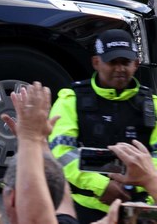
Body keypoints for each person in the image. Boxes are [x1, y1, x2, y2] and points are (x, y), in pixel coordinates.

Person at [49, 28, 157, 223]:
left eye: (126, 62)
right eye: (112, 62)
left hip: (141, 207)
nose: (120, 69)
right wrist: (101, 185)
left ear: (136, 64)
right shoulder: (70, 100)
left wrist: (135, 182)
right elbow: (61, 152)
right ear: (96, 62)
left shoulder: (153, 104)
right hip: (84, 206)